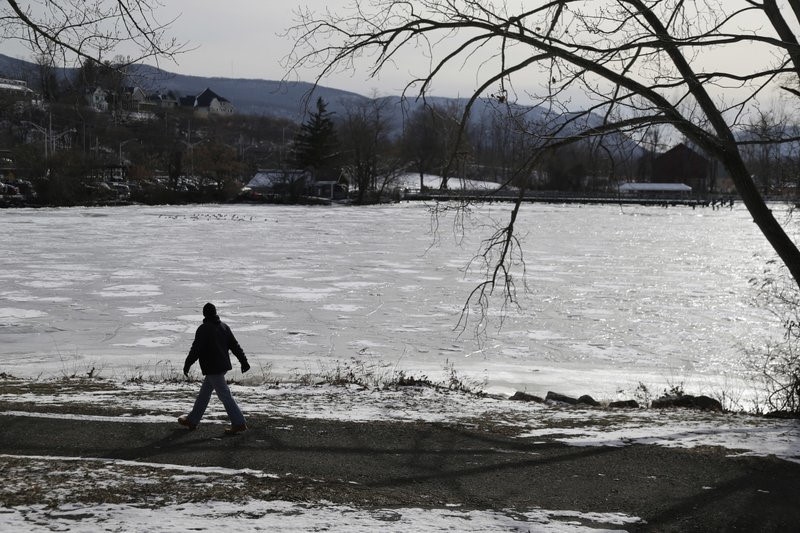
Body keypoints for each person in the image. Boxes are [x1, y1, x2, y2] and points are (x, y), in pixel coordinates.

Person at [178, 302, 251, 434]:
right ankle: (192, 420)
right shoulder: (224, 327)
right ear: (215, 313)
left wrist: (187, 363)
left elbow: (196, 349)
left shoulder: (203, 329)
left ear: (204, 314)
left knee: (225, 395)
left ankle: (239, 423)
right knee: (204, 394)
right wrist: (244, 361)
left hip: (213, 368)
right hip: (221, 366)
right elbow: (235, 346)